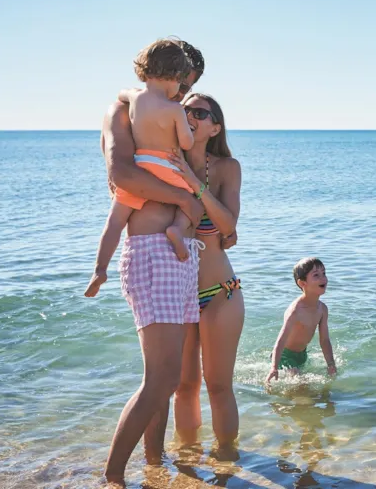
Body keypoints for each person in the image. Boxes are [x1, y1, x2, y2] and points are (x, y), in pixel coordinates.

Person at [97, 39, 236, 487]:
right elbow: (122, 174)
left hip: (183, 262)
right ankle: (114, 475)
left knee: (166, 378)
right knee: (162, 379)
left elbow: (226, 227)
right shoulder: (125, 112)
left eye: (191, 90)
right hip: (153, 250)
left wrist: (196, 197)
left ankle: (154, 466)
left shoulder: (184, 131)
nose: (184, 98)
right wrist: (184, 198)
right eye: (183, 86)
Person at [164, 93, 245, 452]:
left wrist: (194, 183)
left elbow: (228, 226)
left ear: (215, 128)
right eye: (185, 110)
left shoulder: (227, 168)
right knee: (183, 386)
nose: (190, 116)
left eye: (199, 112)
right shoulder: (165, 163)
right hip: (177, 294)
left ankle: (227, 462)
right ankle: (187, 462)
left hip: (220, 293)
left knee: (218, 385)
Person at [85, 40, 197, 299]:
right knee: (191, 202)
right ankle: (177, 230)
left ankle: (100, 269)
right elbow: (186, 143)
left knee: (115, 221)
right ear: (176, 77)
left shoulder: (135, 97)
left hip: (141, 165)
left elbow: (121, 93)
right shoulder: (175, 109)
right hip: (168, 166)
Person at [266, 258, 337, 382]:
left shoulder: (322, 309)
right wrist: (274, 368)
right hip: (284, 356)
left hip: (302, 355)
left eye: (324, 273)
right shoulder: (295, 311)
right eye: (316, 275)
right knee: (301, 385)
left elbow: (324, 340)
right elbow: (280, 341)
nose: (323, 278)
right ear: (302, 283)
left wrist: (331, 364)